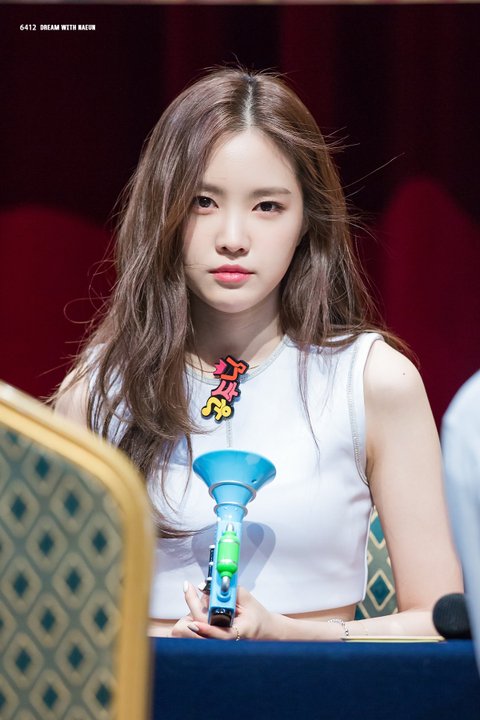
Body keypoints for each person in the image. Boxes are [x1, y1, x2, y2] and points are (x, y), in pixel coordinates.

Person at [54, 67, 462, 640]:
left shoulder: (373, 380)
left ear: (306, 220)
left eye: (267, 206)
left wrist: (288, 632)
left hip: (315, 685)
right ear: (162, 211)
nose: (233, 237)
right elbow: (53, 626)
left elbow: (441, 622)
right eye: (202, 202)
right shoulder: (96, 394)